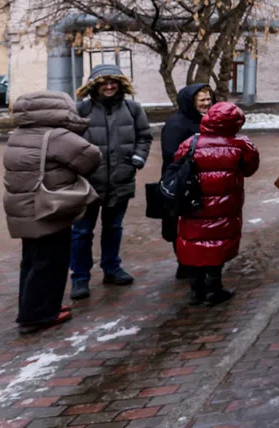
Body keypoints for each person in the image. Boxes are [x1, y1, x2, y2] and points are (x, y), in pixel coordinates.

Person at [3, 92, 101, 333]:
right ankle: (41, 315)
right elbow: (91, 158)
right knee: (51, 261)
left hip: (23, 209)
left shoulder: (19, 134)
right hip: (49, 208)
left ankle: (30, 310)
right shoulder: (57, 136)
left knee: (32, 261)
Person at [71, 64, 153, 301]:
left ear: (120, 84)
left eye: (113, 82)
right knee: (81, 232)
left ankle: (111, 268)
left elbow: (144, 136)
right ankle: (79, 277)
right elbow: (68, 141)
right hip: (87, 183)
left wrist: (136, 159)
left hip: (121, 179)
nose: (108, 87)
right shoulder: (81, 110)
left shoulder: (133, 108)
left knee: (113, 228)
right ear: (94, 85)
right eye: (103, 83)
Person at [173, 102, 259, 306]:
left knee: (194, 243)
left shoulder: (190, 143)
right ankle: (214, 290)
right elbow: (250, 168)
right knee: (217, 245)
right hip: (224, 206)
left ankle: (196, 291)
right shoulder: (240, 145)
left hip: (192, 204)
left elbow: (177, 165)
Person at [159, 84, 213, 279]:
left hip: (202, 182)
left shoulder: (208, 121)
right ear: (190, 102)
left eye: (209, 99)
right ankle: (184, 263)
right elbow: (171, 155)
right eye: (202, 100)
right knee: (180, 225)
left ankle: (198, 263)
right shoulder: (176, 125)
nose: (207, 103)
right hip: (181, 183)